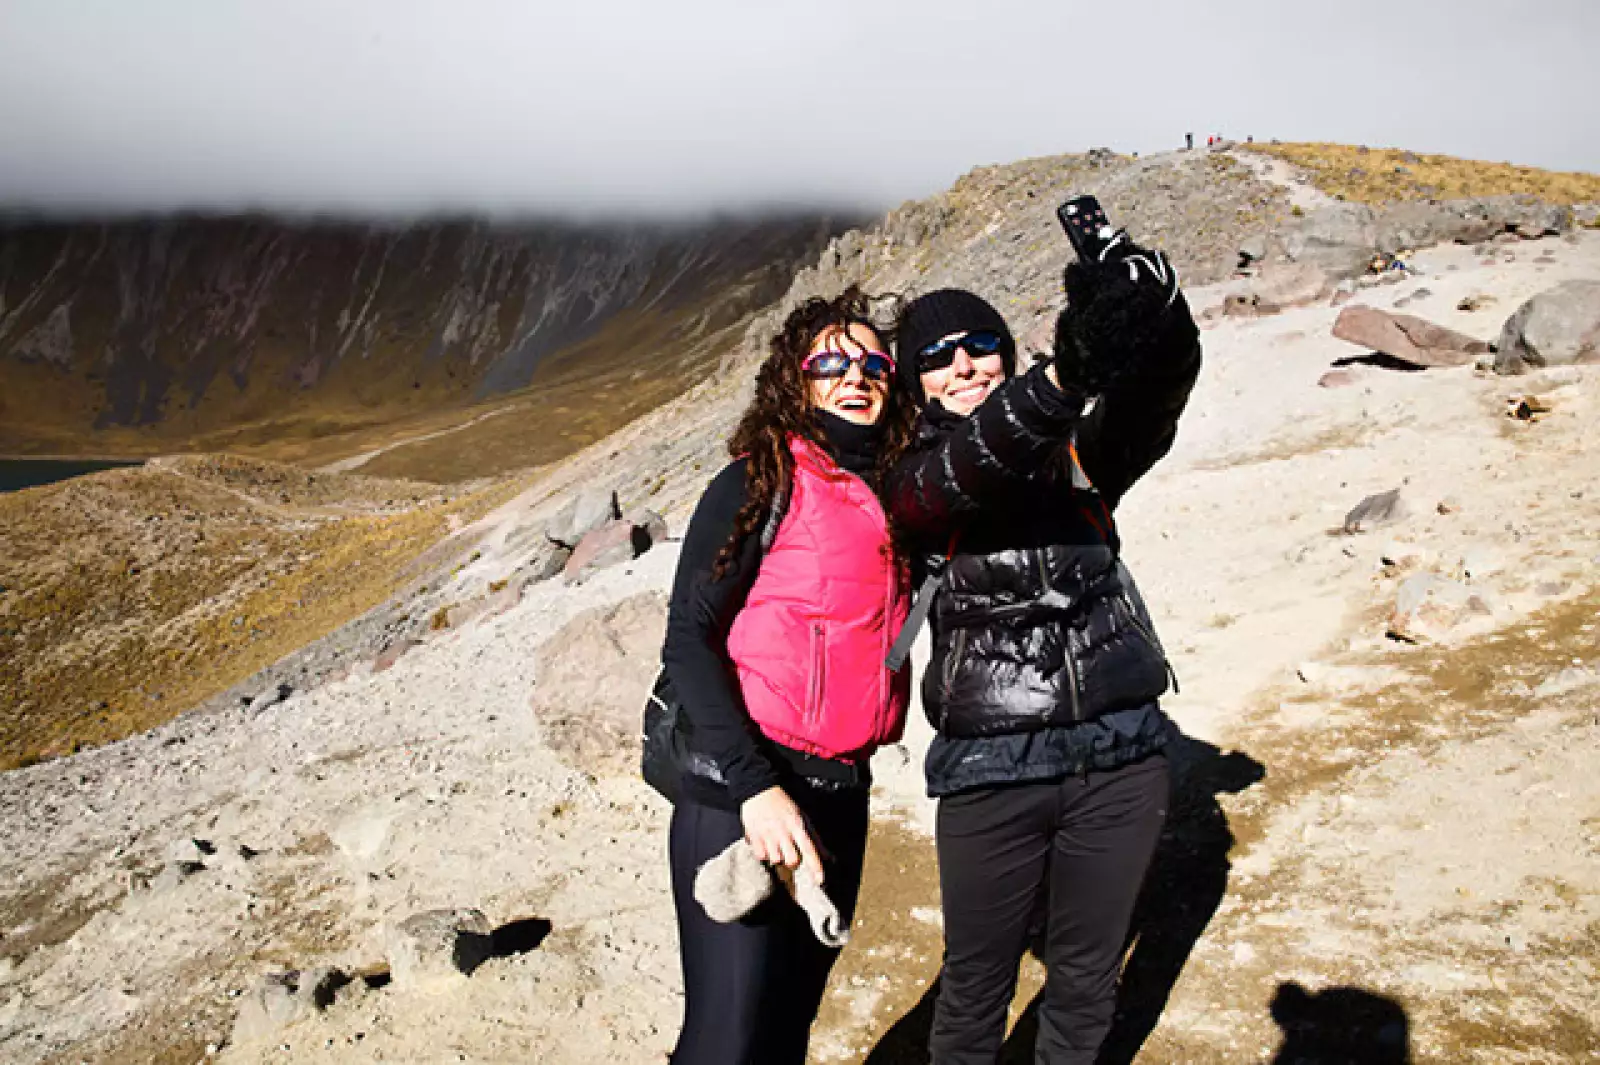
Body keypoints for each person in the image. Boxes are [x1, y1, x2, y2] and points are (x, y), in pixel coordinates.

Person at [886, 232, 1201, 1064]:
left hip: (1123, 759)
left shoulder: (1080, 455)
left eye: (981, 345)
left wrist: (1155, 302)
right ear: (914, 382)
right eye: (939, 357)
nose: (966, 365)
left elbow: (1160, 393)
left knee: (1087, 983)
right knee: (975, 988)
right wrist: (1062, 376)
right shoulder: (913, 476)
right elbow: (971, 466)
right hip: (993, 775)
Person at [661, 287, 914, 1064]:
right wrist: (754, 788)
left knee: (785, 1025)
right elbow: (687, 639)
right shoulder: (760, 478)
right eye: (831, 361)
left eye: (873, 362)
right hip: (745, 792)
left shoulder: (898, 491)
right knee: (727, 1038)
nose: (856, 375)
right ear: (795, 379)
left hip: (842, 792)